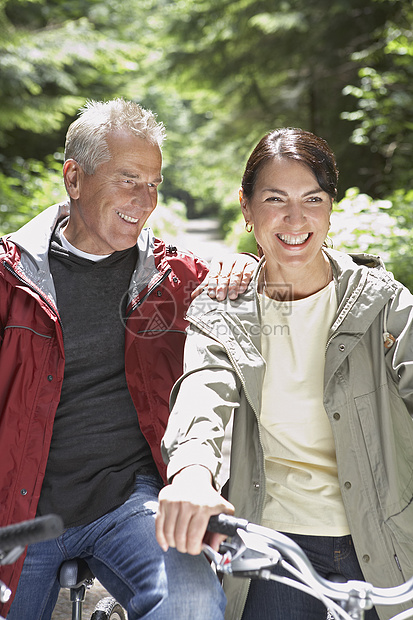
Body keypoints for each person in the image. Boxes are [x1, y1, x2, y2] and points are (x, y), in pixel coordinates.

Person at [0, 97, 256, 620]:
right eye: (128, 179)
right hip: (19, 507)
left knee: (194, 602)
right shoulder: (9, 278)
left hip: (130, 502)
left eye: (154, 183)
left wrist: (245, 263)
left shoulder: (171, 278)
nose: (145, 201)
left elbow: (261, 280)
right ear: (75, 178)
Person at [156, 127, 413, 620]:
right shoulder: (223, 307)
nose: (296, 218)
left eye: (312, 199)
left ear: (331, 207)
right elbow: (200, 395)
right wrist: (190, 474)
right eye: (275, 199)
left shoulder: (380, 300)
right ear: (246, 207)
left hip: (385, 539)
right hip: (273, 550)